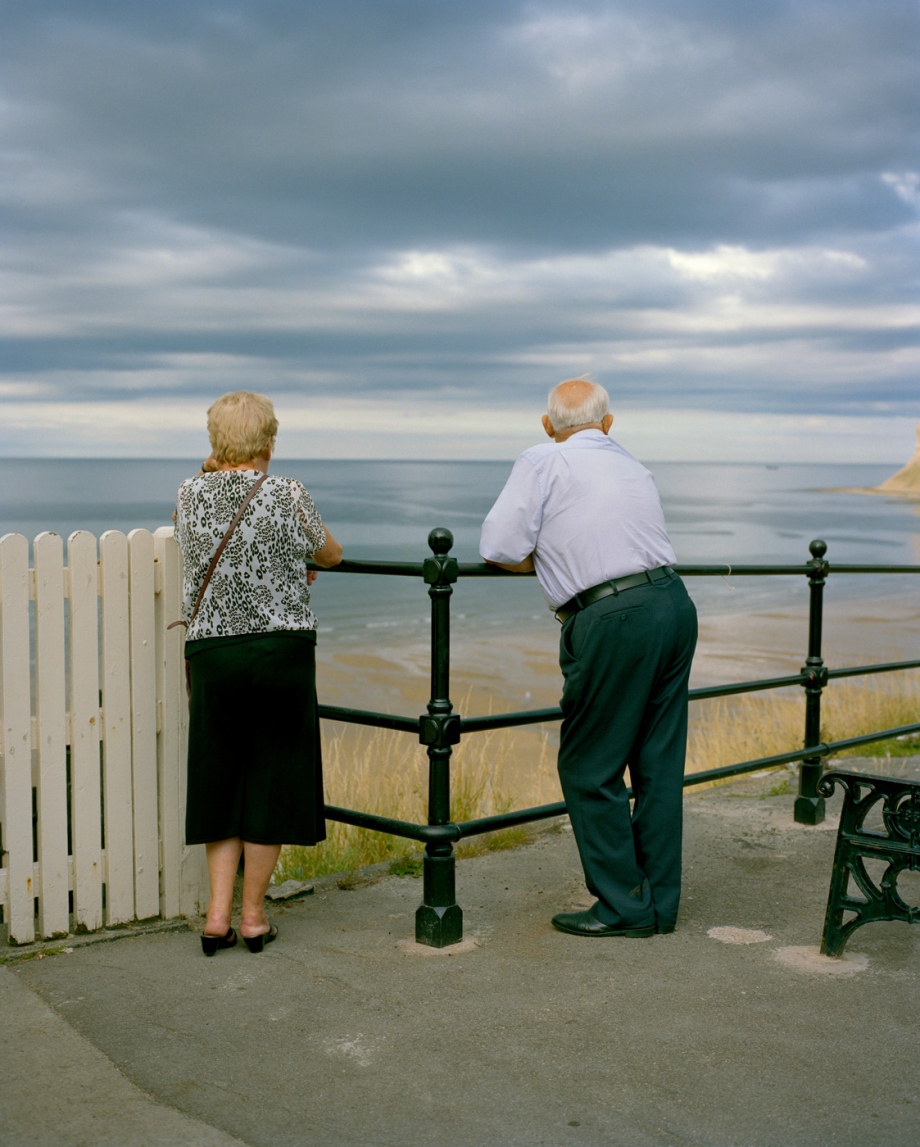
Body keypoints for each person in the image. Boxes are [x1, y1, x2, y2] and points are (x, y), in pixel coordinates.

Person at [480, 379, 697, 937]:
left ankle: (624, 909)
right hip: (671, 603)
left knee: (589, 766)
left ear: (547, 425)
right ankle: (658, 906)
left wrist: (542, 560)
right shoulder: (632, 465)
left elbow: (499, 546)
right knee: (657, 764)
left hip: (613, 618)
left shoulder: (543, 459)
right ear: (608, 424)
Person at [174, 391, 342, 955]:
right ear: (270, 440)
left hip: (213, 654)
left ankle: (215, 916)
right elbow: (331, 554)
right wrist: (295, 565)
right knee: (271, 780)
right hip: (278, 652)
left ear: (214, 441)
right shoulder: (285, 491)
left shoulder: (188, 494)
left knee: (219, 776)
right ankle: (252, 917)